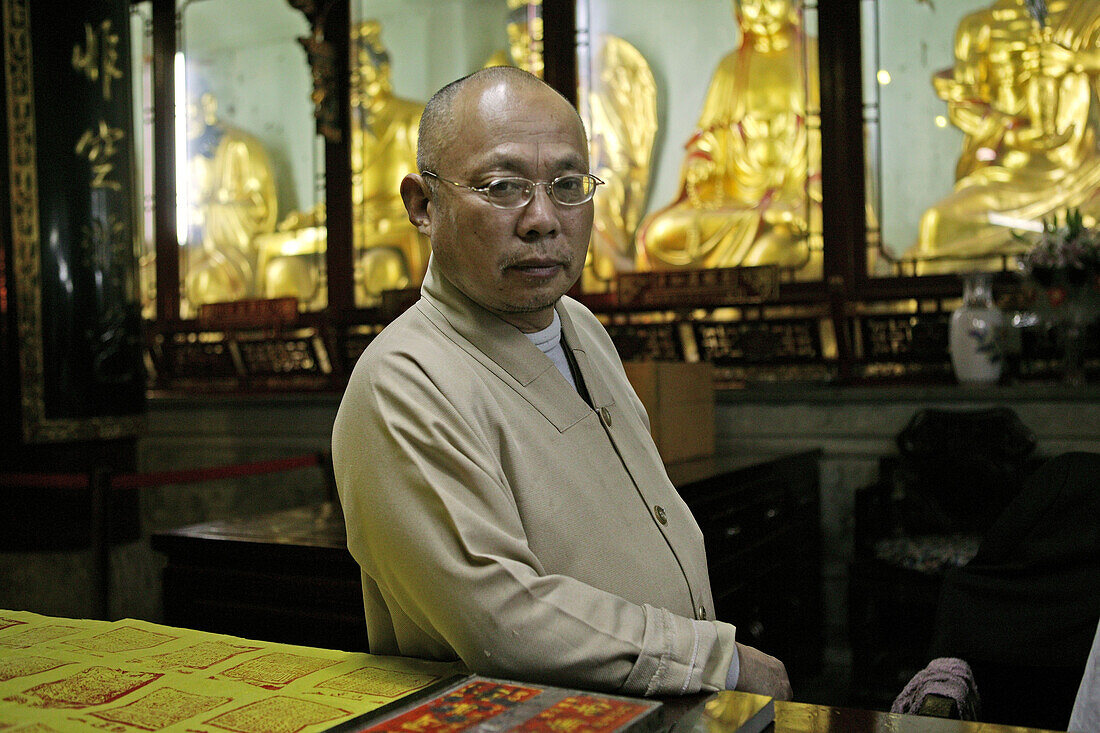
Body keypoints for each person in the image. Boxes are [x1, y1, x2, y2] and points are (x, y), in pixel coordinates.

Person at [331, 66, 791, 699]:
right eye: (502, 186)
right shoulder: (404, 380)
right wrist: (719, 663)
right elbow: (500, 619)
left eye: (568, 184)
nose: (543, 219)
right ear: (422, 206)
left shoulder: (581, 328)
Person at [908, 0, 1100, 272]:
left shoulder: (1091, 12)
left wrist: (1076, 61)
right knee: (938, 223)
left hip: (1086, 172)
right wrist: (1003, 126)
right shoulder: (982, 24)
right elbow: (967, 107)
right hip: (1012, 174)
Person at [635, 0, 822, 279]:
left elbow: (834, 148)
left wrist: (805, 195)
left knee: (784, 250)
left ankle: (773, 232)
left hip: (797, 198)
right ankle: (766, 224)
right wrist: (701, 161)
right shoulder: (730, 67)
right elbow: (709, 137)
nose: (759, 10)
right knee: (658, 235)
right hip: (735, 202)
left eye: (770, 0)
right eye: (749, 2)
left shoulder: (815, 59)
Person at [184, 89, 278, 311]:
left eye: (189, 108)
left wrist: (211, 209)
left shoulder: (240, 146)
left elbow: (261, 209)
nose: (185, 119)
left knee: (208, 281)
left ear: (208, 105)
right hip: (204, 246)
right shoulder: (194, 153)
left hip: (235, 250)